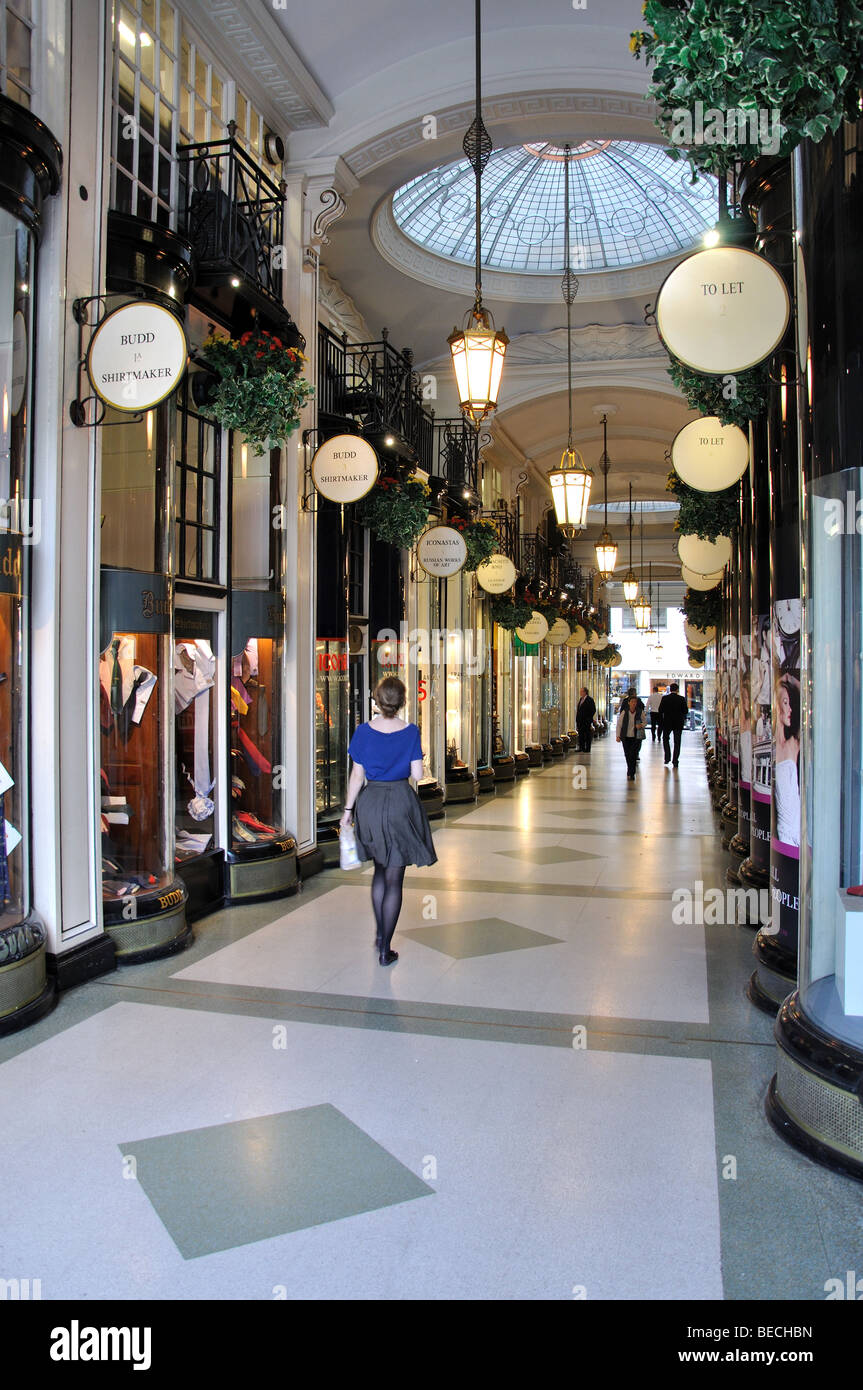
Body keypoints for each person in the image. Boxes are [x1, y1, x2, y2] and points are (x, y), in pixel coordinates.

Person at [340, 676, 437, 966]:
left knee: (379, 872)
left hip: (370, 803)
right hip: (399, 802)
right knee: (395, 879)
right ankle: (386, 949)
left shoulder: (363, 732)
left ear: (377, 700)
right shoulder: (410, 732)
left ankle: (380, 936)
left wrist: (347, 811)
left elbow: (357, 775)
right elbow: (418, 776)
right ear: (403, 701)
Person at [774, 674, 801, 847]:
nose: (790, 708)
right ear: (776, 706)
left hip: (796, 827)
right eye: (785, 702)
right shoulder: (772, 746)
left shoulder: (793, 744)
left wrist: (790, 679)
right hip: (783, 830)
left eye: (790, 703)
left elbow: (806, 695)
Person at [658, 682, 689, 767]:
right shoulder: (682, 699)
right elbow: (685, 711)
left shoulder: (665, 698)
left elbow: (660, 710)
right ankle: (675, 760)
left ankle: (667, 758)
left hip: (667, 722)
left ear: (670, 689)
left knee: (665, 739)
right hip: (678, 723)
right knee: (677, 742)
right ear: (677, 690)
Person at [616, 692, 646, 779]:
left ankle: (631, 772)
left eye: (635, 702)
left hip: (636, 737)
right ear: (629, 702)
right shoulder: (624, 712)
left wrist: (641, 725)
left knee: (633, 754)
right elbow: (619, 724)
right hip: (625, 736)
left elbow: (645, 722)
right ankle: (630, 769)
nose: (633, 703)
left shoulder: (640, 712)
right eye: (632, 701)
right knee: (627, 754)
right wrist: (618, 736)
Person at [575, 686, 596, 752]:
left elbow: (593, 710)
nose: (580, 693)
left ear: (585, 692)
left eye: (581, 691)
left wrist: (588, 718)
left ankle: (587, 748)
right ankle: (581, 747)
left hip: (586, 721)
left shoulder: (590, 700)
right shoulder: (581, 699)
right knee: (581, 735)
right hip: (580, 721)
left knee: (587, 735)